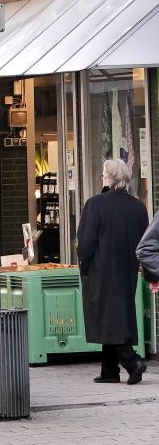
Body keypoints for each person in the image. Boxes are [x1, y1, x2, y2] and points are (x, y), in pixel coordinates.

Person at [79, 159, 149, 384]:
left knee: (107, 316)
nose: (102, 177)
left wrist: (85, 266)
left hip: (102, 269)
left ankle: (132, 361)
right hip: (128, 269)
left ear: (109, 178)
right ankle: (109, 371)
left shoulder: (95, 204)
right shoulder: (138, 207)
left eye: (103, 174)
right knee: (116, 314)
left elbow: (85, 242)